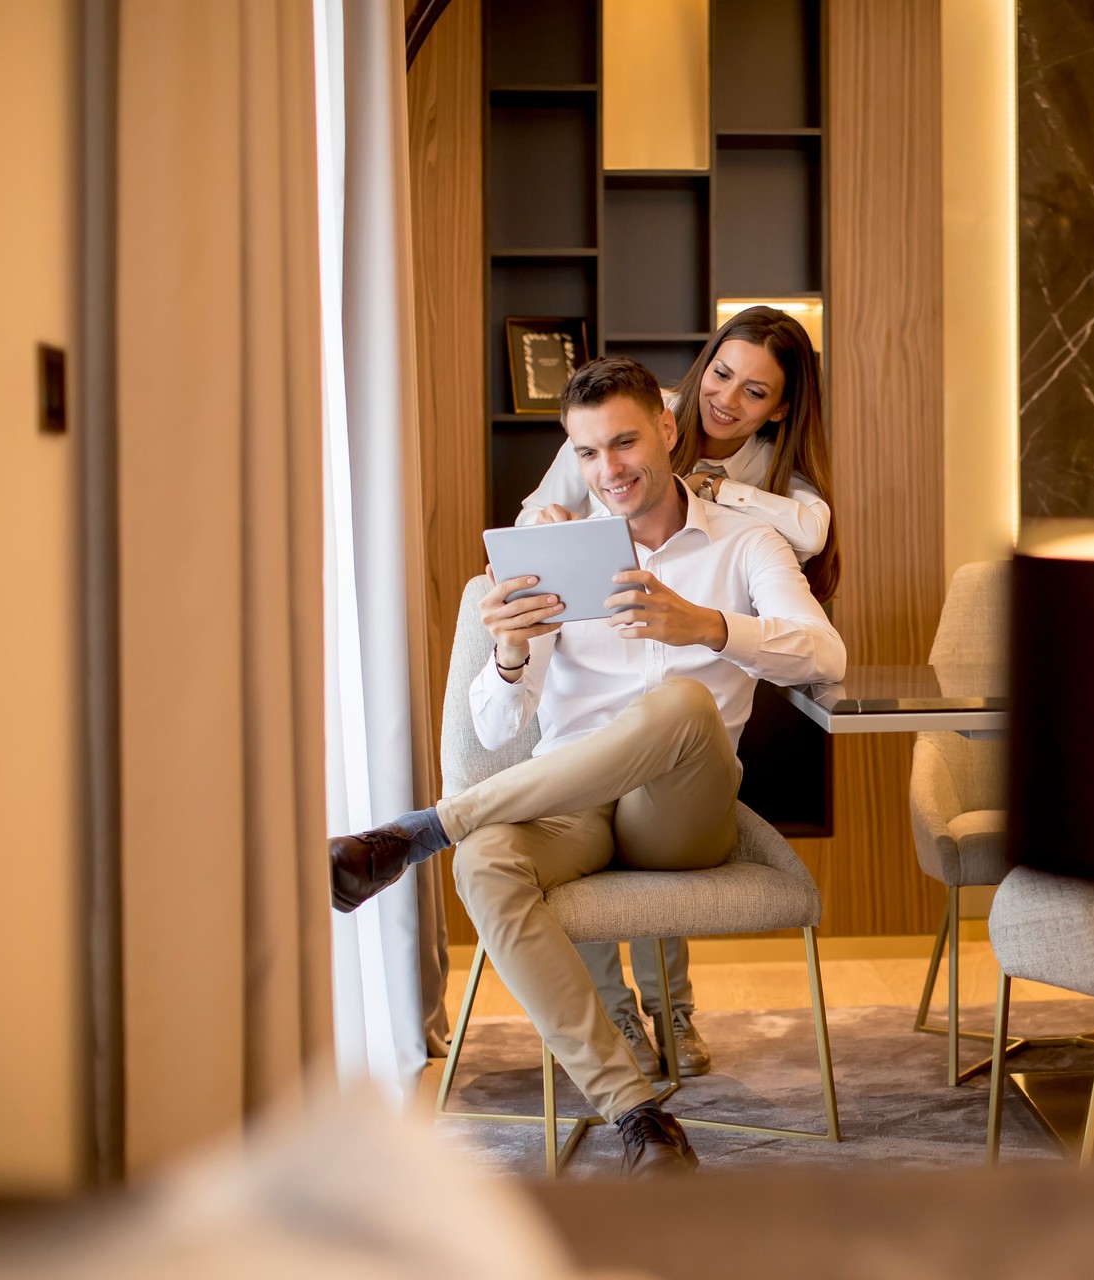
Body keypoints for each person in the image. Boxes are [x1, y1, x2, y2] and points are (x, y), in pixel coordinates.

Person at [328, 357, 845, 1176]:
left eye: (626, 442)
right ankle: (637, 1115)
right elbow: (502, 724)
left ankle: (423, 829)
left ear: (669, 429)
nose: (610, 469)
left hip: (680, 816)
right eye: (590, 452)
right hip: (572, 802)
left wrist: (708, 626)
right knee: (489, 863)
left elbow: (825, 652)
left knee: (679, 707)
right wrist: (507, 655)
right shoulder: (551, 556)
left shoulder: (745, 545)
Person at [515, 307, 840, 1082]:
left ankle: (670, 1007)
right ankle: (617, 1015)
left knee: (675, 722)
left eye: (754, 392)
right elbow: (536, 514)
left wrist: (716, 504)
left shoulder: (759, 494)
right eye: (721, 375)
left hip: (696, 696)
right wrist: (551, 526)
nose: (727, 399)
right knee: (589, 780)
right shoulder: (622, 420)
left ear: (781, 408)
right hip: (590, 731)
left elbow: (812, 534)